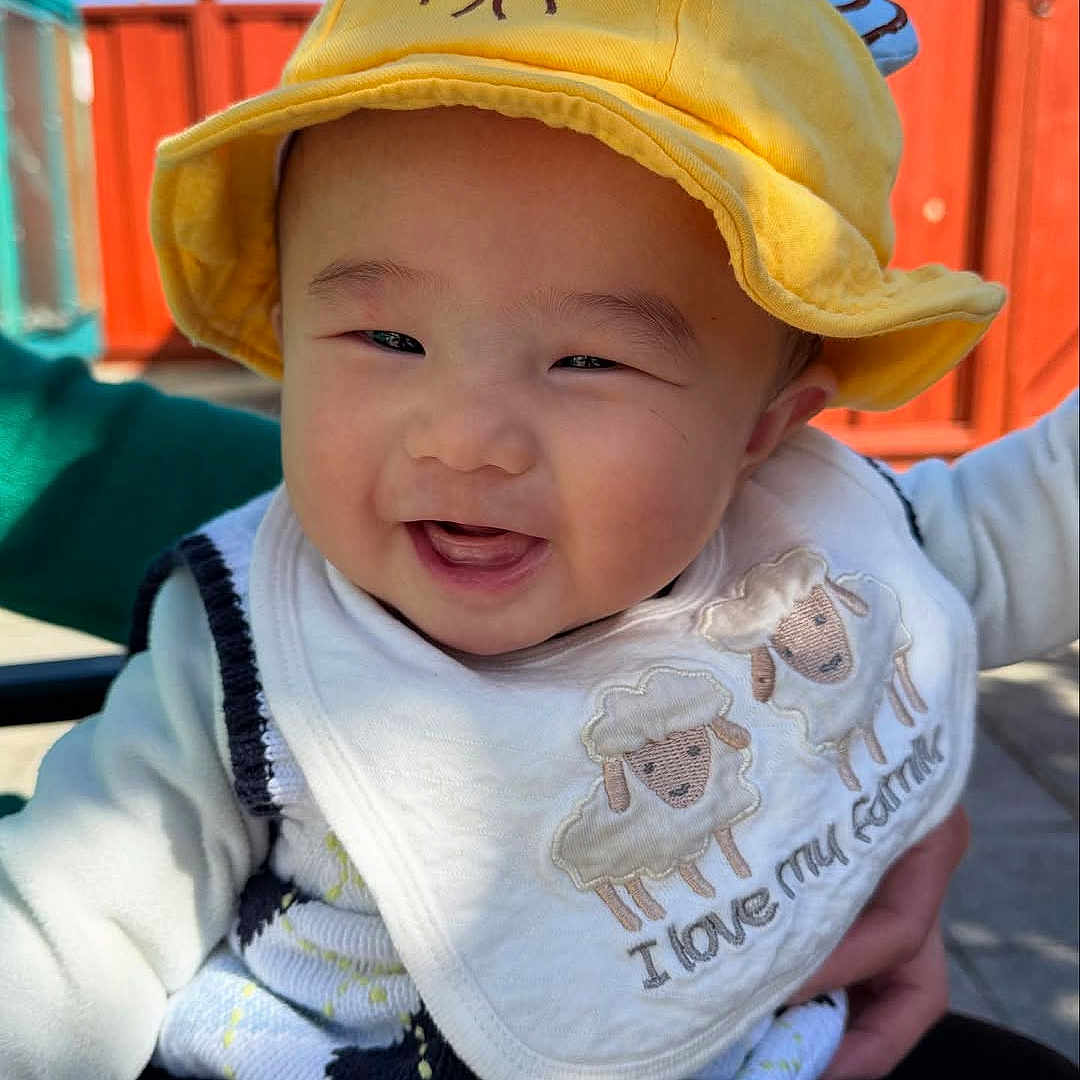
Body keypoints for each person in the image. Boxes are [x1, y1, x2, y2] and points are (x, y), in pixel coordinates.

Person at [0, 3, 1076, 1080]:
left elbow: (1041, 516)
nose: (464, 439)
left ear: (762, 430)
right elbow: (77, 920)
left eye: (587, 362)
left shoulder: (805, 552)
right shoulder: (248, 643)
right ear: (286, 340)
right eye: (388, 337)